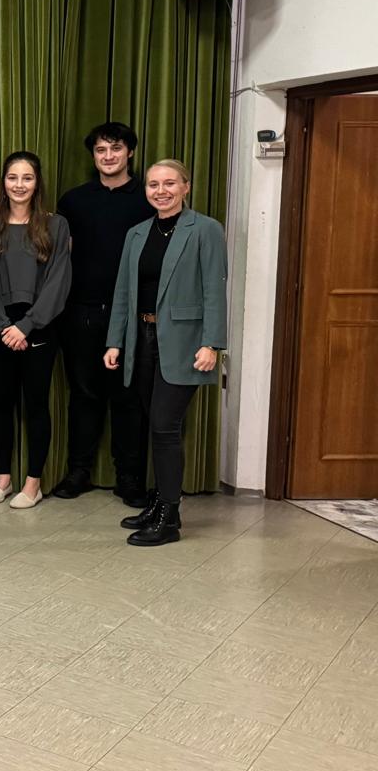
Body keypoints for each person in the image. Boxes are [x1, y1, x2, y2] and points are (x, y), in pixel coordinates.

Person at [105, 159, 226, 547]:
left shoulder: (206, 230)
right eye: (154, 184)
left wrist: (213, 344)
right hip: (142, 337)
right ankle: (159, 504)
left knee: (164, 426)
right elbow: (124, 291)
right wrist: (115, 341)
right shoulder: (137, 233)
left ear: (186, 187)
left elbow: (214, 291)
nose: (161, 191)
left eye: (170, 183)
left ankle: (169, 517)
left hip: (186, 343)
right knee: (151, 423)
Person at [53, 122, 153, 505]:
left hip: (131, 316)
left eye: (115, 148)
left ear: (129, 152)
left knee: (129, 398)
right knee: (83, 394)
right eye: (100, 150)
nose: (108, 156)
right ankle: (79, 471)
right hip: (81, 311)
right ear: (93, 156)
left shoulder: (148, 199)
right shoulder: (74, 200)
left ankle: (128, 478)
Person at [0, 151, 72, 510]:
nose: (19, 185)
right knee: (1, 402)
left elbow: (59, 282)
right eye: (13, 178)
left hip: (39, 326)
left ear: (37, 183)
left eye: (27, 178)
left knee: (35, 403)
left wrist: (27, 326)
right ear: (3, 183)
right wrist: (4, 326)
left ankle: (33, 482)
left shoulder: (56, 225)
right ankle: (4, 477)